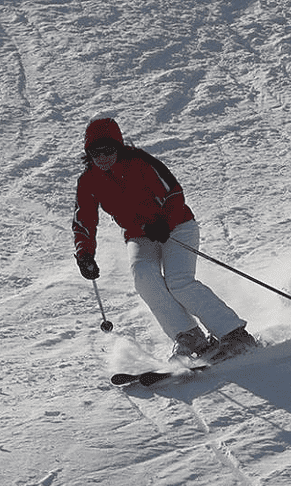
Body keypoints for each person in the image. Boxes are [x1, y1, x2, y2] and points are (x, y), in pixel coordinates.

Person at [72, 117, 256, 360]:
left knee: (178, 281)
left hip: (177, 226)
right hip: (140, 235)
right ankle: (190, 336)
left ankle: (234, 334)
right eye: (95, 153)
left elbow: (174, 193)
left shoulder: (140, 162)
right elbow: (84, 220)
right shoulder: (88, 181)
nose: (102, 157)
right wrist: (85, 254)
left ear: (118, 147)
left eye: (108, 150)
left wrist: (165, 223)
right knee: (143, 275)